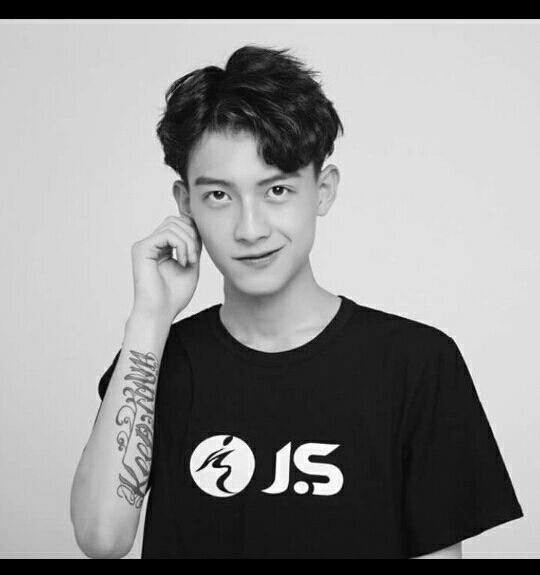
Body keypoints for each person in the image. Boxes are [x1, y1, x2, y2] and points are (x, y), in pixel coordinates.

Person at [70, 44, 524, 559]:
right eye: (219, 195)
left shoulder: (416, 363)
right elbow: (102, 539)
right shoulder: (155, 359)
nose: (250, 228)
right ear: (185, 204)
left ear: (323, 190)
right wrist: (149, 319)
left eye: (277, 191)